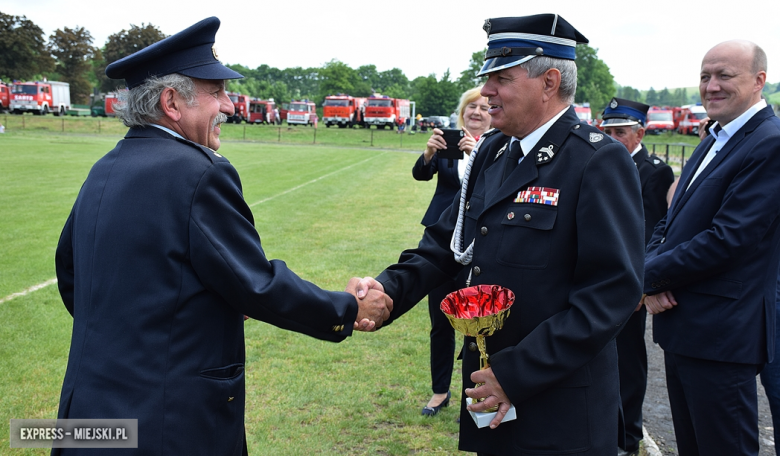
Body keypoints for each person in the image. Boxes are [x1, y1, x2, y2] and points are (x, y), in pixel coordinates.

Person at [53, 17, 390, 456]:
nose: (229, 106)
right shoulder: (197, 172)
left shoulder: (104, 168)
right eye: (216, 92)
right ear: (172, 102)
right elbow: (256, 285)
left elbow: (74, 277)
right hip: (167, 425)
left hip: (85, 418)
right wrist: (347, 307)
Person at [351, 13, 644, 454]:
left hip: (557, 408)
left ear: (548, 82)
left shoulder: (596, 161)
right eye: (487, 78)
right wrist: (387, 290)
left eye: (501, 79)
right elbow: (446, 246)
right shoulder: (493, 150)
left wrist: (515, 372)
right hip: (491, 397)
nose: (486, 91)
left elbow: (611, 294)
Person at [643, 40, 780, 456]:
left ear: (759, 81)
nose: (711, 86)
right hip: (684, 326)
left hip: (722, 333)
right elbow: (671, 220)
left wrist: (646, 276)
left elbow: (729, 239)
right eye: (705, 76)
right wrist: (651, 270)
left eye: (724, 75)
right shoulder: (716, 137)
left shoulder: (768, 143)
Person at [412, 86, 491, 417]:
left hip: (478, 245)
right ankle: (439, 392)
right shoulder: (449, 141)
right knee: (440, 320)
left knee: (475, 323)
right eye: (471, 106)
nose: (476, 112)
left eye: (484, 107)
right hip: (442, 242)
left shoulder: (496, 146)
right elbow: (420, 174)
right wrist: (429, 153)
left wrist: (476, 155)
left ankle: (472, 396)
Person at [602, 97, 674, 456]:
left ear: (640, 133)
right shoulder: (598, 160)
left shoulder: (655, 171)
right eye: (608, 130)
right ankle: (603, 428)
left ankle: (628, 438)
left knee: (628, 360)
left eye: (620, 132)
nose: (612, 137)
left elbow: (653, 233)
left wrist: (641, 284)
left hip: (630, 281)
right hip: (595, 275)